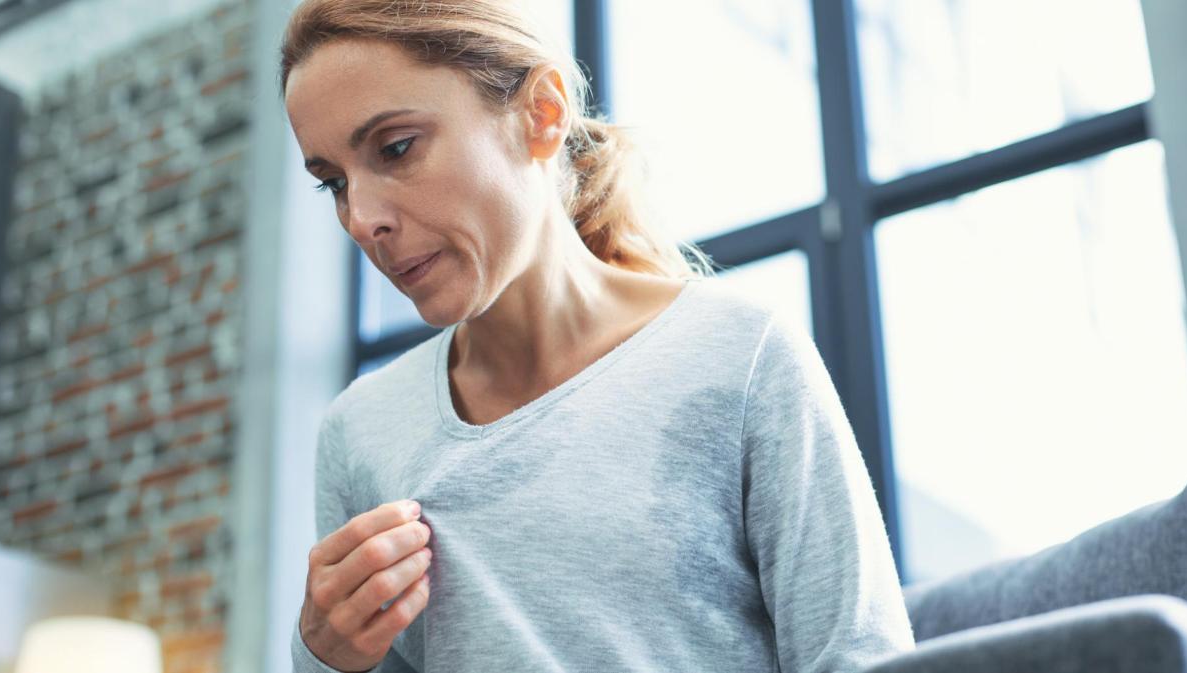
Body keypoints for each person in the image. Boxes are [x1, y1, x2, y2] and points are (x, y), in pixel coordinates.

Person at [280, 1, 916, 671]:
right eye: (334, 184)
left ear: (543, 113)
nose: (363, 219)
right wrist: (324, 653)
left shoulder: (741, 352)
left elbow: (858, 656)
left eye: (397, 147)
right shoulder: (360, 432)